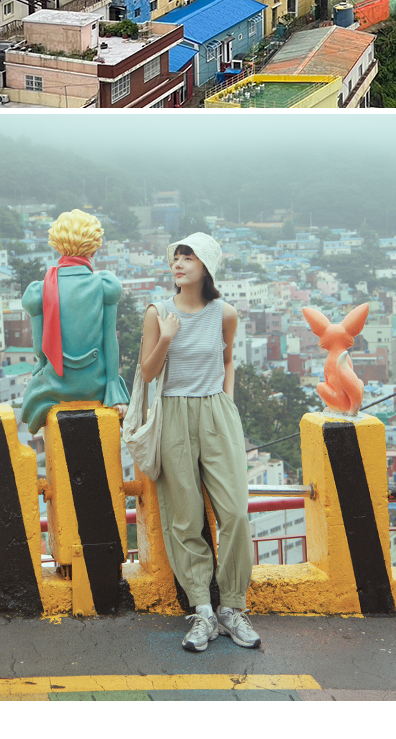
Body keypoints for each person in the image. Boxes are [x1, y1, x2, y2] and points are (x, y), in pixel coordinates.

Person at [140, 232, 259, 652]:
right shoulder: (158, 313)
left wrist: (227, 403)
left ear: (206, 266)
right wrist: (167, 337)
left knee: (236, 513)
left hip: (216, 412)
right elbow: (147, 373)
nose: (178, 263)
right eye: (176, 257)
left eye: (188, 257)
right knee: (185, 517)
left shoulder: (225, 313)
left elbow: (228, 360)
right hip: (173, 413)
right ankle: (203, 610)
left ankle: (232, 606)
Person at [21, 209, 129, 434]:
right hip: (96, 385)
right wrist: (112, 386)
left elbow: (39, 348)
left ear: (57, 245)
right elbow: (110, 341)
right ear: (94, 247)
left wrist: (42, 363)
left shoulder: (40, 290)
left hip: (55, 387)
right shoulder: (104, 284)